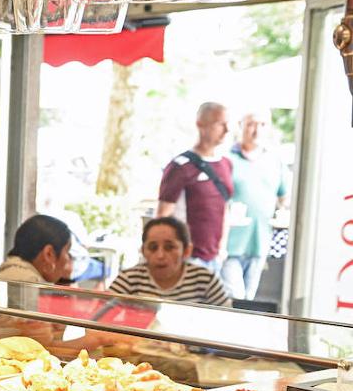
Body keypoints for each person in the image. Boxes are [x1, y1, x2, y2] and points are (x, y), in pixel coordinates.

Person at [157, 102, 234, 272]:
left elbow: (224, 209)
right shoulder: (180, 167)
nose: (227, 130)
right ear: (201, 125)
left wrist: (222, 249)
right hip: (187, 258)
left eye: (228, 124)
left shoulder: (226, 164)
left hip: (215, 258)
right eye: (220, 124)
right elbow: (163, 215)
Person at [221, 111, 287, 300]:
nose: (257, 130)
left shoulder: (274, 161)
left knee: (248, 300)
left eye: (263, 124)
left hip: (260, 244)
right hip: (230, 245)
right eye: (251, 124)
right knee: (235, 297)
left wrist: (283, 213)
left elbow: (284, 198)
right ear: (241, 126)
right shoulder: (227, 160)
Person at [108, 217, 231, 306]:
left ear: (187, 250)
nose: (160, 255)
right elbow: (102, 313)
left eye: (169, 247)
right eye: (152, 247)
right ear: (143, 251)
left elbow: (227, 320)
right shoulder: (128, 279)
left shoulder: (205, 280)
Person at [0, 214, 74, 284]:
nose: (68, 259)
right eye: (67, 251)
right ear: (49, 254)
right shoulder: (29, 284)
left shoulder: (7, 275)